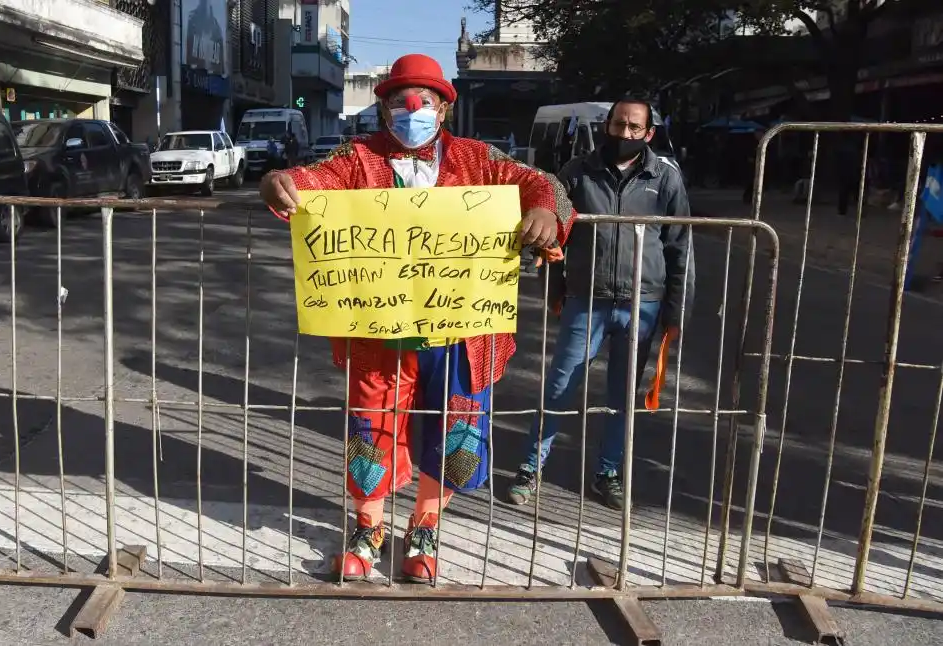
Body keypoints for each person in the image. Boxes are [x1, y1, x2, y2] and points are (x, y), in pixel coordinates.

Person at [259, 53, 576, 582]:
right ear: (383, 109)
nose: (412, 110)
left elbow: (545, 184)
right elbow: (311, 180)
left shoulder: (479, 159)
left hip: (460, 332)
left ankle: (426, 524)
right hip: (381, 332)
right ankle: (368, 526)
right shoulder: (356, 157)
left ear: (444, 110)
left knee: (455, 427)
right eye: (400, 101)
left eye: (424, 101)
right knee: (371, 425)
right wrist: (279, 182)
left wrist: (545, 210)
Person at [506, 96, 695, 510]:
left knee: (622, 397)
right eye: (618, 125)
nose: (624, 133)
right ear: (606, 126)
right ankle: (530, 467)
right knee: (559, 387)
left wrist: (677, 310)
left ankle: (608, 473)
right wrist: (553, 288)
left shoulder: (664, 177)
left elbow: (680, 246)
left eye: (634, 128)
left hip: (643, 303)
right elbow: (554, 232)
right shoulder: (577, 172)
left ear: (649, 133)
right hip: (586, 300)